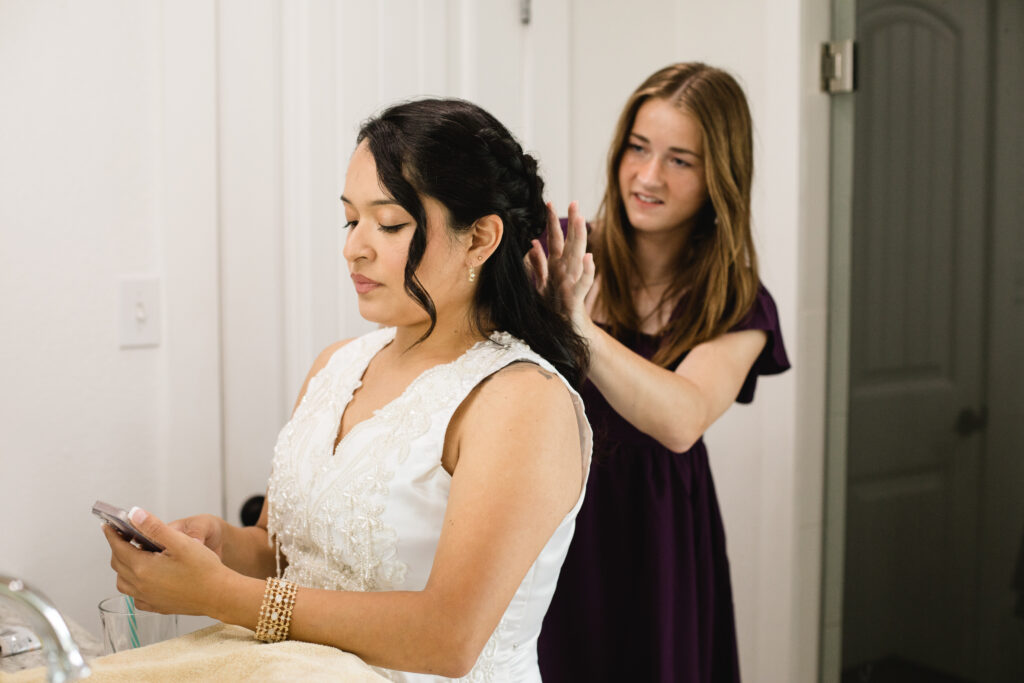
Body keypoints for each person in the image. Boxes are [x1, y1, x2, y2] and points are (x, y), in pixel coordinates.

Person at [102, 98, 593, 682]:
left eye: (388, 224)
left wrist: (219, 595)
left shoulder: (521, 400)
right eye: (349, 219)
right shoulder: (337, 366)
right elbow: (290, 557)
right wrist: (222, 546)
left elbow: (449, 637)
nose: (354, 247)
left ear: (480, 238)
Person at [531, 63, 791, 682]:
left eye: (680, 161)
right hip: (549, 514)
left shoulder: (737, 300)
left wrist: (578, 327)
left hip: (659, 537)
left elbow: (680, 420)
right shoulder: (563, 251)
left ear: (719, 176)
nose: (647, 177)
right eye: (638, 149)